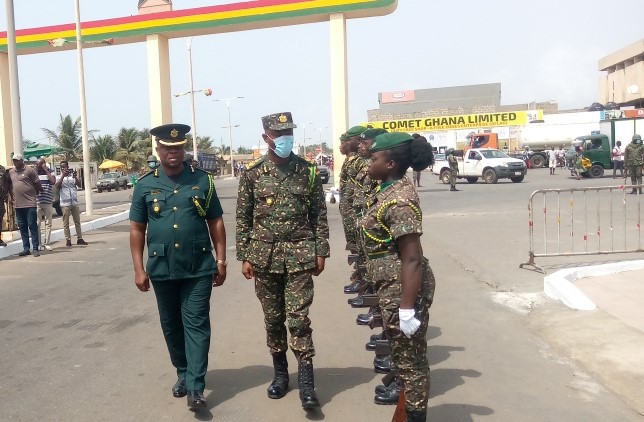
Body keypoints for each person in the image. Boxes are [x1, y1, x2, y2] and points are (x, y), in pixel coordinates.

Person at [129, 123, 227, 410]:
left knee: (196, 324)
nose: (173, 152)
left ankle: (196, 387)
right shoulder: (145, 184)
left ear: (184, 149)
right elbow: (137, 230)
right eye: (167, 148)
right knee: (171, 326)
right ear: (158, 150)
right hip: (161, 268)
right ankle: (183, 372)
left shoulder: (203, 181)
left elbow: (216, 222)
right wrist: (138, 268)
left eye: (178, 148)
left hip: (198, 266)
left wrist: (221, 260)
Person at [236, 112, 329, 410]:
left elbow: (319, 215)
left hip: (301, 256)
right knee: (273, 319)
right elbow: (243, 219)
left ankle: (306, 383)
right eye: (279, 135)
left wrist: (321, 250)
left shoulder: (309, 171)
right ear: (266, 138)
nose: (285, 139)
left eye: (289, 133)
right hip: (264, 258)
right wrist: (245, 256)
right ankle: (280, 374)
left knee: (299, 319)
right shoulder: (252, 174)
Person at [359, 132, 436, 422]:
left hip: (401, 288)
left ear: (390, 163)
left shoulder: (399, 200)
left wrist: (406, 308)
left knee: (412, 364)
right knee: (404, 361)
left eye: (374, 158)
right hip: (390, 285)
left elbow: (412, 257)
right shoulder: (387, 189)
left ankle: (415, 416)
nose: (369, 163)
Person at [7, 154, 43, 256]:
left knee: (32, 226)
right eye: (14, 160)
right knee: (22, 227)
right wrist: (11, 195)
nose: (15, 162)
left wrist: (35, 194)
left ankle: (35, 248)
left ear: (22, 160)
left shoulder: (29, 170)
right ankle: (26, 248)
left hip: (30, 203)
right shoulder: (11, 172)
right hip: (18, 205)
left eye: (17, 160)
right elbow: (9, 184)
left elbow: (37, 183)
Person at [54, 161, 88, 247]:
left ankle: (79, 238)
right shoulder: (58, 177)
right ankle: (68, 239)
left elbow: (80, 185)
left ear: (68, 167)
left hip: (74, 202)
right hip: (65, 204)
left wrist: (75, 177)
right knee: (66, 223)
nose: (63, 169)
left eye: (64, 167)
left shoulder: (72, 176)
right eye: (61, 167)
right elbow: (57, 186)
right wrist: (63, 176)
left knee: (77, 222)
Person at [36, 158, 55, 251]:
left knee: (48, 223)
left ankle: (47, 243)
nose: (37, 166)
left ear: (43, 164)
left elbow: (53, 181)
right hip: (37, 202)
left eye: (39, 164)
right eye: (36, 164)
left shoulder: (50, 172)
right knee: (37, 223)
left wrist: (46, 170)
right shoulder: (35, 173)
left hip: (47, 202)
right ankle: (39, 244)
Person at [0, 163, 9, 247]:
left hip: (0, 198)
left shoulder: (2, 169)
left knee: (0, 217)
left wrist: (6, 194)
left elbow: (6, 182)